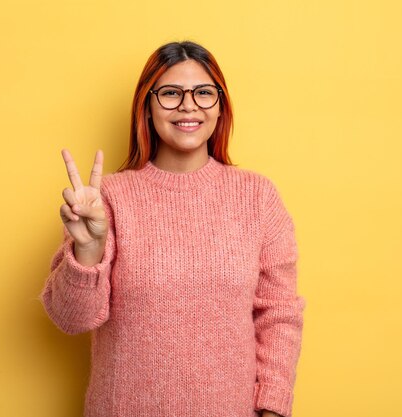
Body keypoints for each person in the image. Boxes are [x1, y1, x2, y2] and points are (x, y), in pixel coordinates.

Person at [39, 40, 306, 417]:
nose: (188, 105)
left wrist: (272, 408)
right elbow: (72, 320)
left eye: (203, 93)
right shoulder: (107, 199)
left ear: (220, 106)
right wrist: (88, 250)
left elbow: (279, 314)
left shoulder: (257, 197)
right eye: (170, 93)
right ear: (147, 107)